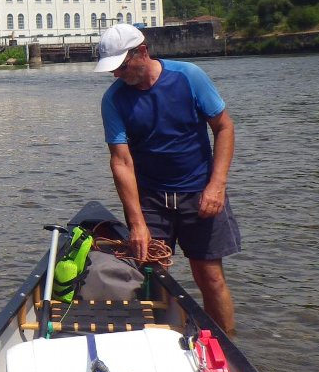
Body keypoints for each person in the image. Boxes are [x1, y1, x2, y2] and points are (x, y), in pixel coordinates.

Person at [95, 23, 240, 335]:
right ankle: (157, 344)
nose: (117, 75)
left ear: (142, 52)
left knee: (210, 276)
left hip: (200, 192)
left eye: (121, 66)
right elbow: (121, 161)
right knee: (150, 273)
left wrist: (217, 185)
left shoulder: (189, 77)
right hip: (152, 197)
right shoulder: (114, 100)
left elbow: (224, 127)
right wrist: (136, 223)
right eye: (113, 70)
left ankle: (227, 351)